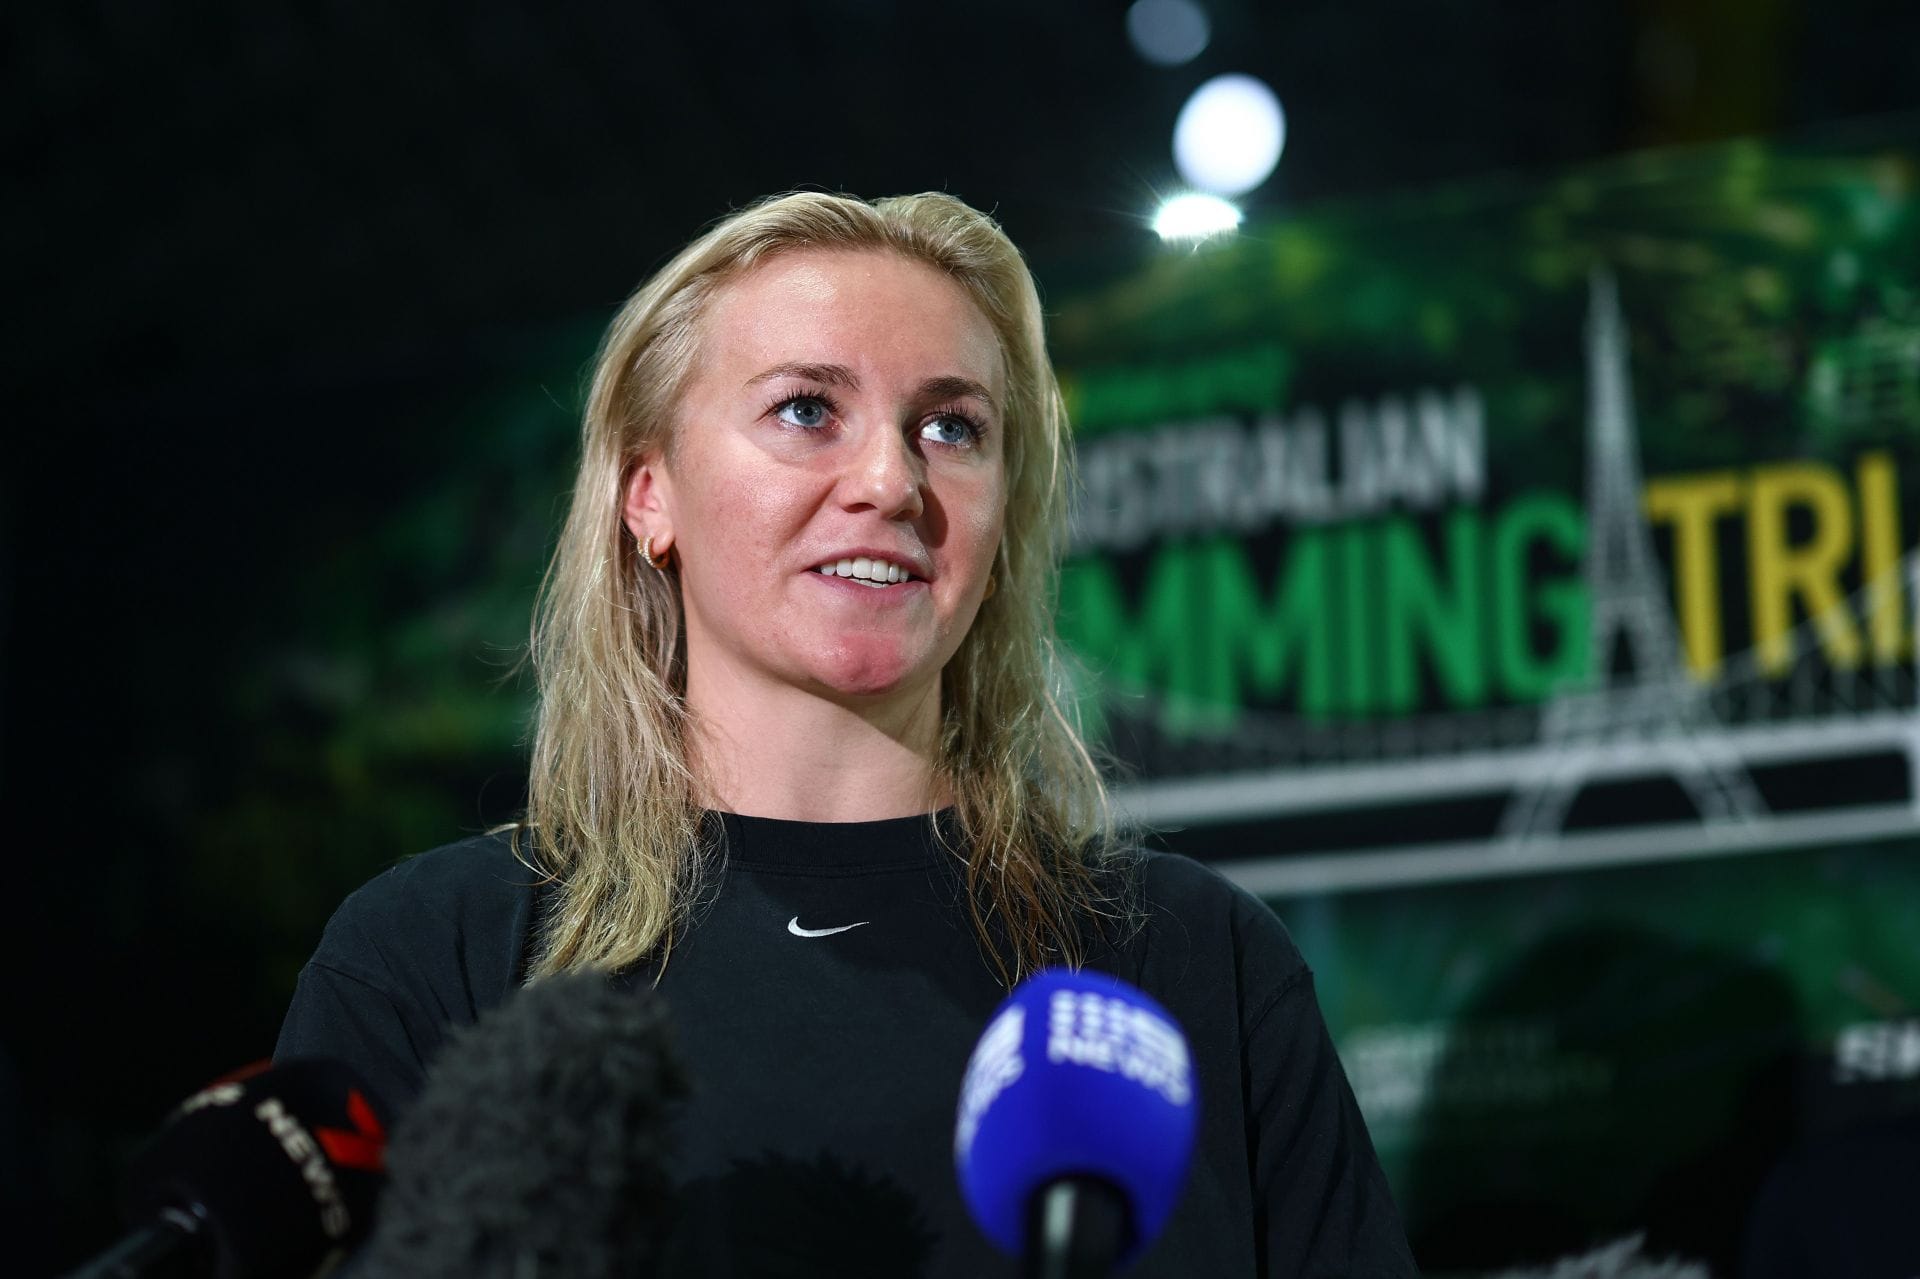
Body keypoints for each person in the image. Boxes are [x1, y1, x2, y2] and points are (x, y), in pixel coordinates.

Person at [277, 190, 1416, 1277]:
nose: (890, 478)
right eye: (807, 410)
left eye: (952, 426)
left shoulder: (1196, 965)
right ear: (648, 496)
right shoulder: (435, 958)